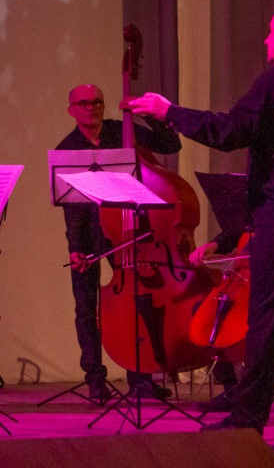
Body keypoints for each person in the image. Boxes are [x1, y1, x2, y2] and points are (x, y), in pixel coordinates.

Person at [130, 5, 274, 442]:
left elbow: (229, 132)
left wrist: (168, 111)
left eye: (271, 33)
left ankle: (249, 415)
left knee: (268, 314)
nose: (266, 41)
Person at [56, 83, 181, 402]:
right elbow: (73, 207)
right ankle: (95, 380)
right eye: (84, 103)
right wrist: (75, 247)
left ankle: (140, 379)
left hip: (128, 230)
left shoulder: (122, 130)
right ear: (71, 110)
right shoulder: (67, 149)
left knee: (137, 302)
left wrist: (147, 114)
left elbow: (171, 144)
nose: (91, 107)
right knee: (86, 307)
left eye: (97, 102)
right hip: (89, 234)